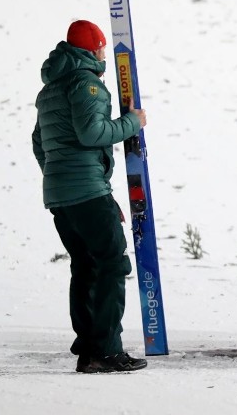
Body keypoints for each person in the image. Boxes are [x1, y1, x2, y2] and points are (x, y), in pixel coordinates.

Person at [32, 20, 148, 373]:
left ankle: (89, 340)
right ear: (95, 50)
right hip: (85, 191)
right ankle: (106, 351)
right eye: (102, 49)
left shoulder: (51, 89)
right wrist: (133, 122)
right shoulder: (86, 84)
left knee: (85, 264)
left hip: (61, 195)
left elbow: (39, 144)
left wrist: (61, 177)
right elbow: (92, 132)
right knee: (113, 264)